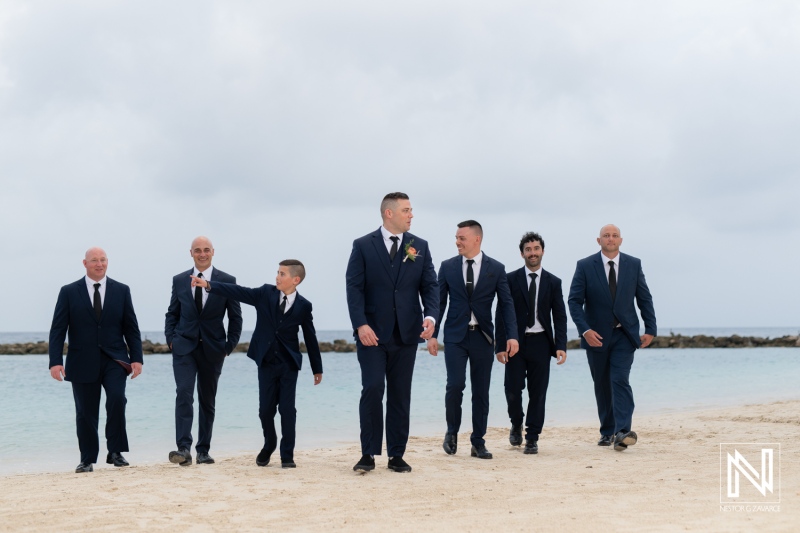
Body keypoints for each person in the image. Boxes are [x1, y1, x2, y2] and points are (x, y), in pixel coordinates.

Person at [191, 260, 323, 468]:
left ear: (295, 280)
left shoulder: (304, 306)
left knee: (288, 410)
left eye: (282, 274)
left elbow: (310, 337)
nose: (277, 277)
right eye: (277, 272)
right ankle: (269, 443)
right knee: (265, 410)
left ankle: (287, 454)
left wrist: (317, 368)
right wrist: (209, 285)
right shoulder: (264, 294)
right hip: (266, 362)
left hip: (289, 364)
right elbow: (238, 292)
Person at [346, 192, 439, 473]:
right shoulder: (363, 245)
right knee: (373, 388)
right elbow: (354, 288)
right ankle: (368, 454)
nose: (411, 215)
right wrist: (360, 324)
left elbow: (430, 286)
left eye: (411, 210)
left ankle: (396, 454)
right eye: (407, 210)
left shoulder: (419, 246)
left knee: (400, 394)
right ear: (389, 213)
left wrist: (431, 316)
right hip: (371, 334)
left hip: (407, 334)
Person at [48, 247, 143, 473]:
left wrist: (137, 358)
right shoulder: (69, 291)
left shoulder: (122, 290)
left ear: (107, 262)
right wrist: (55, 361)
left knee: (117, 400)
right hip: (81, 360)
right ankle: (87, 458)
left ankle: (116, 451)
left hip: (116, 360)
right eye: (94, 260)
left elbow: (131, 327)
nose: (99, 264)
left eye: (103, 260)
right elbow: (58, 329)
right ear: (85, 263)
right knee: (85, 412)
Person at [428, 220, 518, 459]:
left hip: (483, 337)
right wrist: (433, 335)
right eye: (456, 238)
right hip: (456, 337)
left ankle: (478, 441)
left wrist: (511, 337)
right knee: (455, 385)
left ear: (477, 239)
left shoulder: (496, 268)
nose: (457, 242)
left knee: (481, 392)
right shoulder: (447, 267)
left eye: (462, 238)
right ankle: (451, 432)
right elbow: (439, 303)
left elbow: (507, 305)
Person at [567, 224, 657, 451]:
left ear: (621, 240)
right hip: (595, 336)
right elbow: (574, 301)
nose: (610, 239)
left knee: (619, 379)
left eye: (614, 235)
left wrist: (650, 328)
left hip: (625, 335)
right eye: (606, 236)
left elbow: (644, 298)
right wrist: (585, 330)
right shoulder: (585, 266)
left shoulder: (633, 264)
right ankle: (607, 431)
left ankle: (622, 431)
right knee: (602, 384)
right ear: (599, 241)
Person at [165, 236, 242, 466]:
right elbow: (172, 313)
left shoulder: (227, 280)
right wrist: (171, 340)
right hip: (184, 348)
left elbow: (235, 317)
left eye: (206, 250)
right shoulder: (179, 280)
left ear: (213, 252)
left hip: (213, 349)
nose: (202, 253)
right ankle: (183, 448)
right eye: (197, 250)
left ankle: (203, 450)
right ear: (191, 253)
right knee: (184, 394)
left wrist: (228, 346)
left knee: (207, 400)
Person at [495, 232, 567, 454]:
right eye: (528, 249)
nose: (532, 253)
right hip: (515, 343)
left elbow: (560, 316)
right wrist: (499, 346)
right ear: (522, 253)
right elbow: (501, 313)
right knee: (512, 390)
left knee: (538, 393)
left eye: (536, 249)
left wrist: (560, 345)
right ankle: (516, 423)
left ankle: (532, 437)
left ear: (542, 251)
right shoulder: (509, 279)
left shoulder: (554, 282)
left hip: (541, 344)